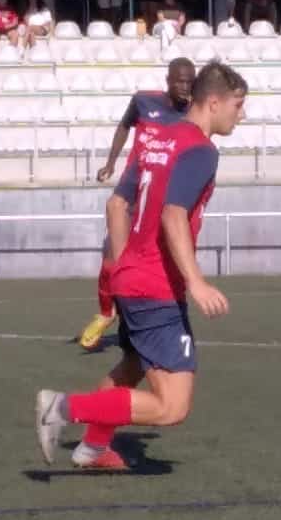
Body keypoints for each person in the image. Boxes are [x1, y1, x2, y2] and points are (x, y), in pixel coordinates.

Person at [39, 60, 248, 471]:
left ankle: (93, 447)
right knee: (172, 407)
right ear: (213, 102)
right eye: (237, 105)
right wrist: (196, 281)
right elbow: (173, 214)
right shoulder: (201, 151)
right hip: (155, 287)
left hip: (131, 277)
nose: (241, 115)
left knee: (132, 365)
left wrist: (123, 267)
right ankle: (61, 408)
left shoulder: (155, 139)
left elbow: (117, 204)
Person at [77, 57, 196, 351]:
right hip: (135, 182)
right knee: (111, 253)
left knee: (155, 260)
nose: (185, 87)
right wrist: (110, 163)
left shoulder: (194, 113)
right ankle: (107, 312)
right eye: (180, 81)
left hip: (162, 194)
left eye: (190, 81)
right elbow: (123, 126)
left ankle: (145, 319)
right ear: (168, 81)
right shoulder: (143, 101)